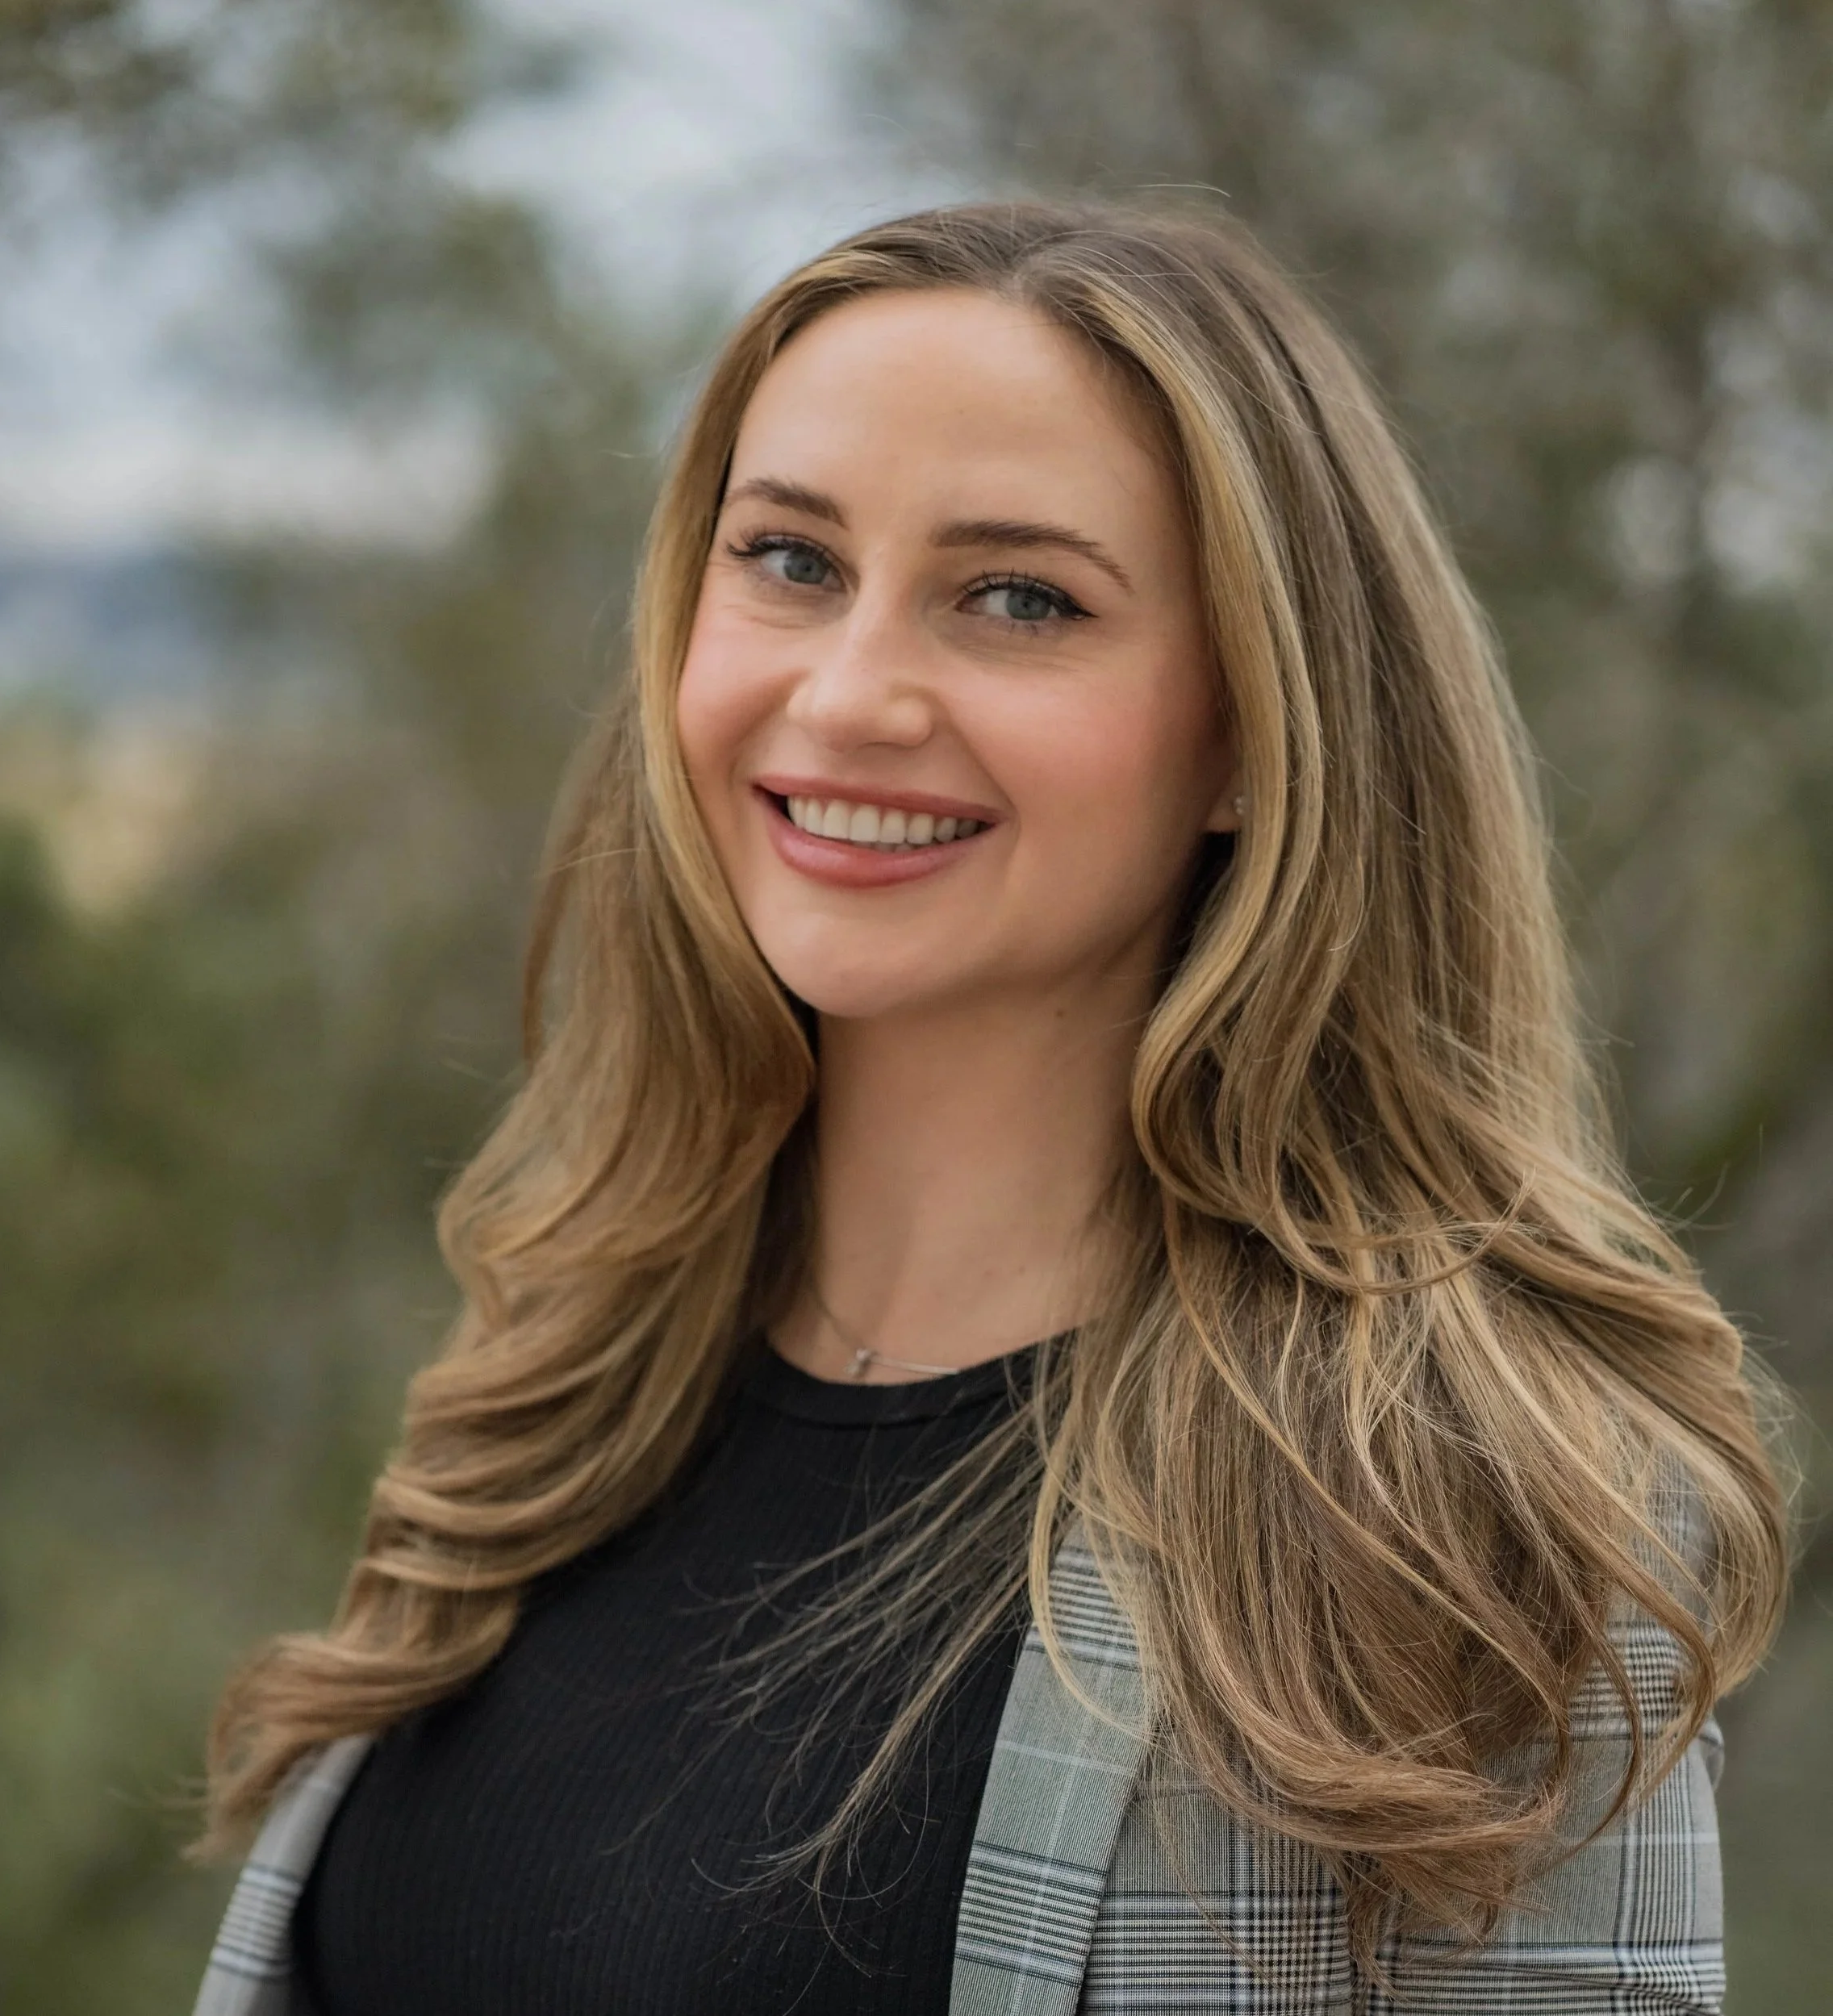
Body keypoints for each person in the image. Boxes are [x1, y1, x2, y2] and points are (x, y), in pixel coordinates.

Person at [188, 202, 1791, 2016]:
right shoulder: (556, 1383)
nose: (849, 690)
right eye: (787, 558)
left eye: (1016, 597)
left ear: (1252, 734)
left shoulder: (1449, 1516)